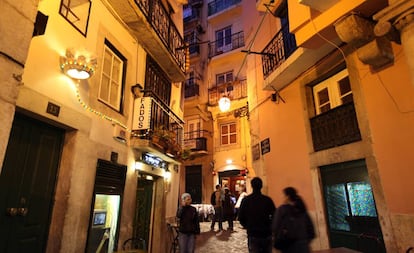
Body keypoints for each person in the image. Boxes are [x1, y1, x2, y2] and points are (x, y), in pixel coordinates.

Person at [238, 177, 276, 253]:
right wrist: (269, 225)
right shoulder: (267, 200)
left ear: (251, 186)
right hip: (266, 233)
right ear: (261, 186)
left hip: (253, 233)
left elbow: (241, 217)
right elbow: (275, 215)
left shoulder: (246, 200)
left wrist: (247, 225)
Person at [272, 187, 315, 253]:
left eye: (283, 195)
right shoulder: (302, 209)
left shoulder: (282, 210)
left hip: (288, 246)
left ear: (287, 197)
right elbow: (311, 229)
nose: (282, 197)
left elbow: (275, 227)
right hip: (303, 245)